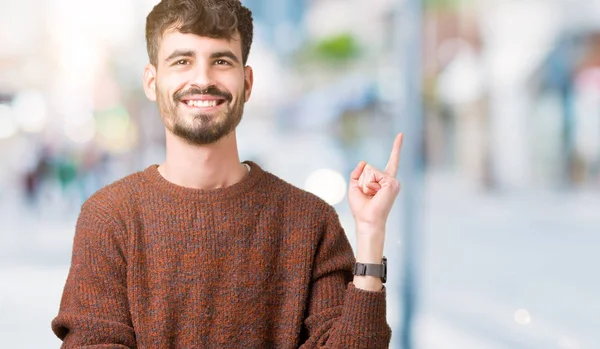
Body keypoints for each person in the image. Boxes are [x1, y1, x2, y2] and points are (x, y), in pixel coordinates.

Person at [51, 0, 403, 347]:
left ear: (247, 82)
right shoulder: (108, 217)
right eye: (182, 61)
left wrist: (371, 234)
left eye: (221, 61)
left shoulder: (312, 222)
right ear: (151, 81)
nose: (202, 79)